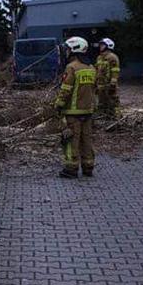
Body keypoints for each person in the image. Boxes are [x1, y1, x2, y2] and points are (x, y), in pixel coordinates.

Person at [54, 36, 96, 178]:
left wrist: (58, 105)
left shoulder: (71, 67)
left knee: (71, 141)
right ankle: (88, 167)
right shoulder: (91, 68)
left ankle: (71, 169)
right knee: (87, 140)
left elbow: (66, 89)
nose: (66, 53)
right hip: (88, 111)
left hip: (73, 112)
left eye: (67, 50)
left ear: (74, 50)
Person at [95, 37, 120, 118]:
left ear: (108, 46)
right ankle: (104, 119)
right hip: (100, 85)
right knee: (101, 103)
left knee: (113, 103)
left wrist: (113, 84)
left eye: (102, 45)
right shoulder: (99, 58)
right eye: (100, 45)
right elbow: (97, 70)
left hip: (109, 85)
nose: (100, 46)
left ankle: (116, 118)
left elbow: (115, 71)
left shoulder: (112, 57)